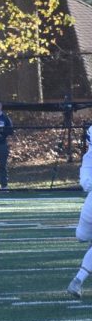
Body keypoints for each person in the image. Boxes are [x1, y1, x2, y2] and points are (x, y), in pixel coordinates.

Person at [66, 126, 92, 300]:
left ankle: (78, 280)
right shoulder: (88, 157)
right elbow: (86, 182)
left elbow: (86, 182)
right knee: (81, 236)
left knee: (85, 239)